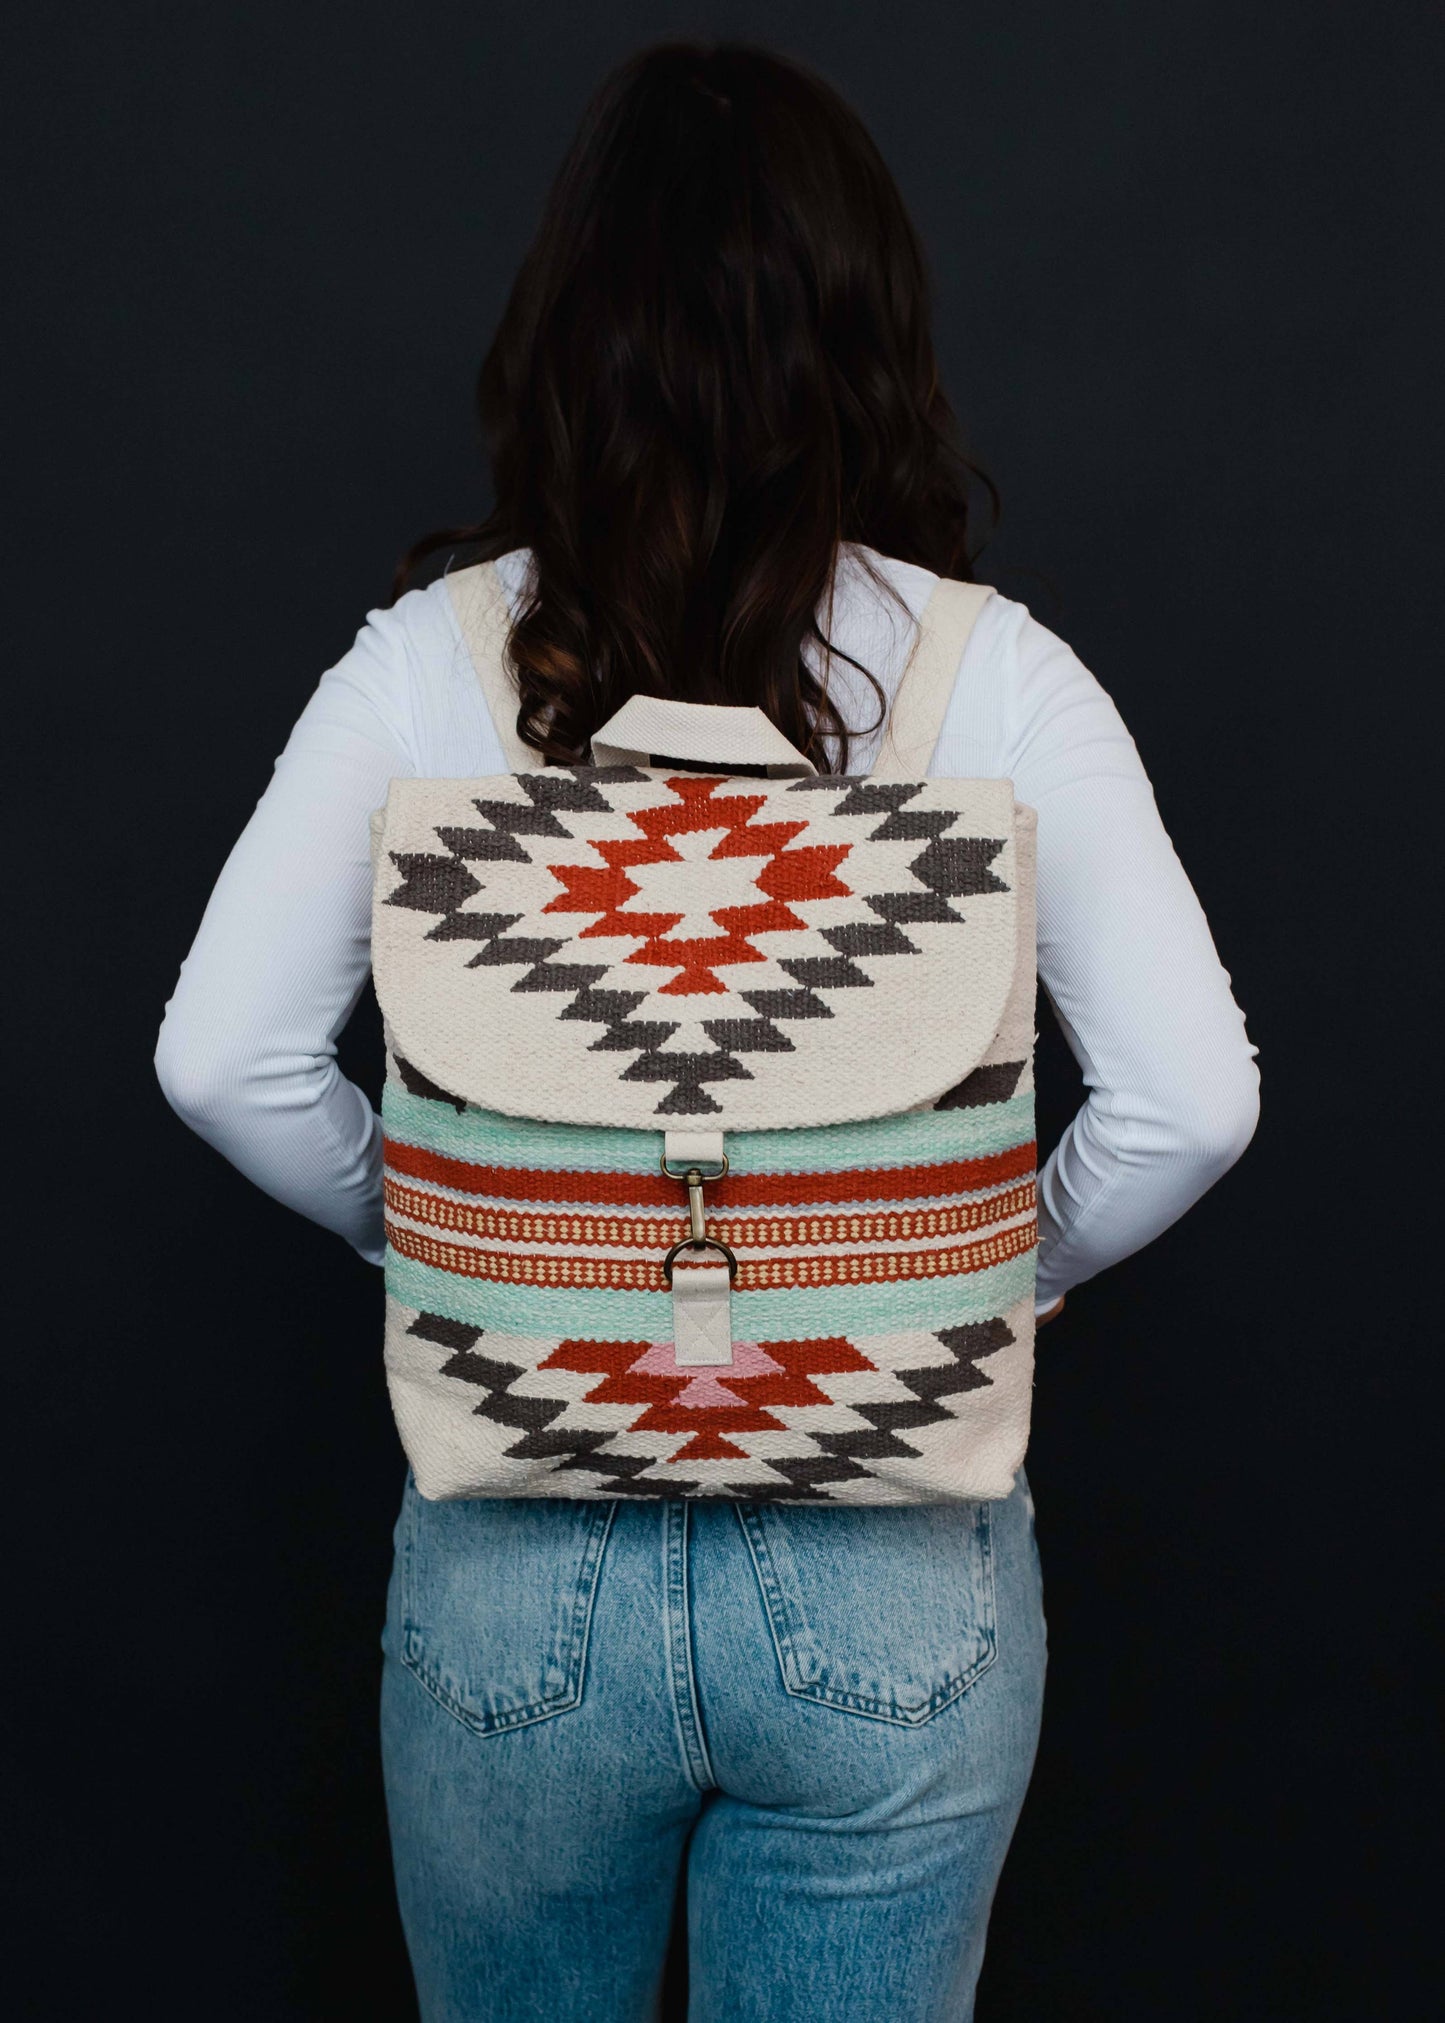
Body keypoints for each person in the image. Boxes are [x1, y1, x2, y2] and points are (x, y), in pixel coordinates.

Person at [154, 41, 1259, 2023]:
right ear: (868, 335)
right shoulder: (999, 683)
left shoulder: (429, 667)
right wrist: (992, 1270)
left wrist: (477, 1242)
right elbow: (1192, 1101)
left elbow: (216, 1057)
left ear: (567, 337)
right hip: (892, 1570)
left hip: (519, 1567)